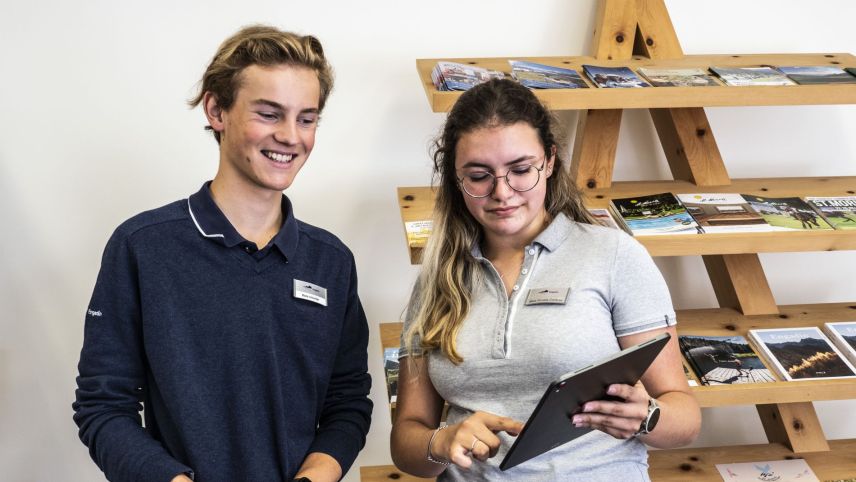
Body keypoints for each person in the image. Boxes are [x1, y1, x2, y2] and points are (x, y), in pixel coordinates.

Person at [73, 25, 372, 482]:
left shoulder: (332, 262)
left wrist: (315, 476)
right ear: (217, 110)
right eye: (270, 114)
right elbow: (103, 406)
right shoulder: (142, 247)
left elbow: (347, 402)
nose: (291, 136)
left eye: (307, 118)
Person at [390, 78, 700, 481]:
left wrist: (647, 417)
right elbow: (406, 442)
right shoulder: (437, 279)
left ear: (550, 161)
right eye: (479, 175)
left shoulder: (614, 255)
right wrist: (442, 442)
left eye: (521, 169)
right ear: (455, 177)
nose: (502, 192)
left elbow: (685, 417)